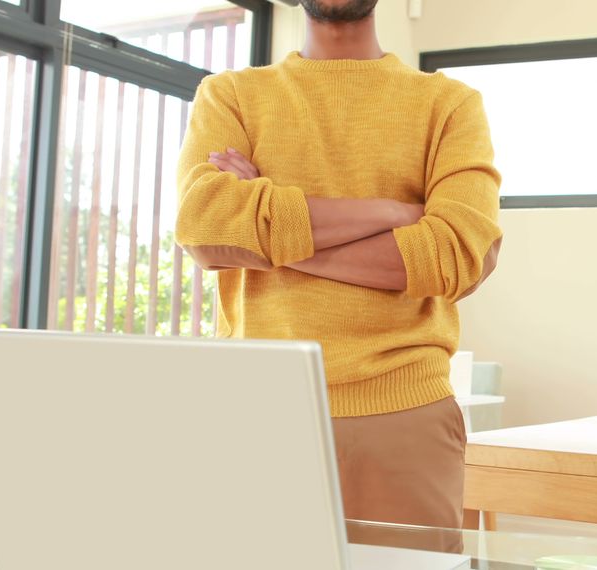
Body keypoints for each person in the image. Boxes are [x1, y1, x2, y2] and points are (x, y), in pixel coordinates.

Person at [174, 0, 502, 537]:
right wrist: (394, 213)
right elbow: (204, 228)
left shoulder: (449, 104)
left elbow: (457, 254)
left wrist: (265, 226)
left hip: (404, 415)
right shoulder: (230, 94)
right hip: (256, 413)